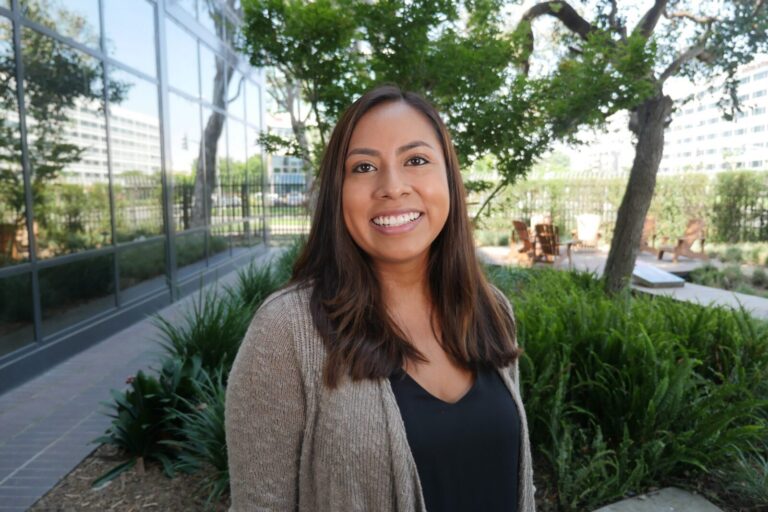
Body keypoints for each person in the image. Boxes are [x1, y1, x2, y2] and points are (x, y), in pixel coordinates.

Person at [225, 85, 536, 511]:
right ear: (338, 191)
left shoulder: (491, 310)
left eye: (416, 160)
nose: (392, 186)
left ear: (449, 178)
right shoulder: (287, 332)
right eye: (365, 166)